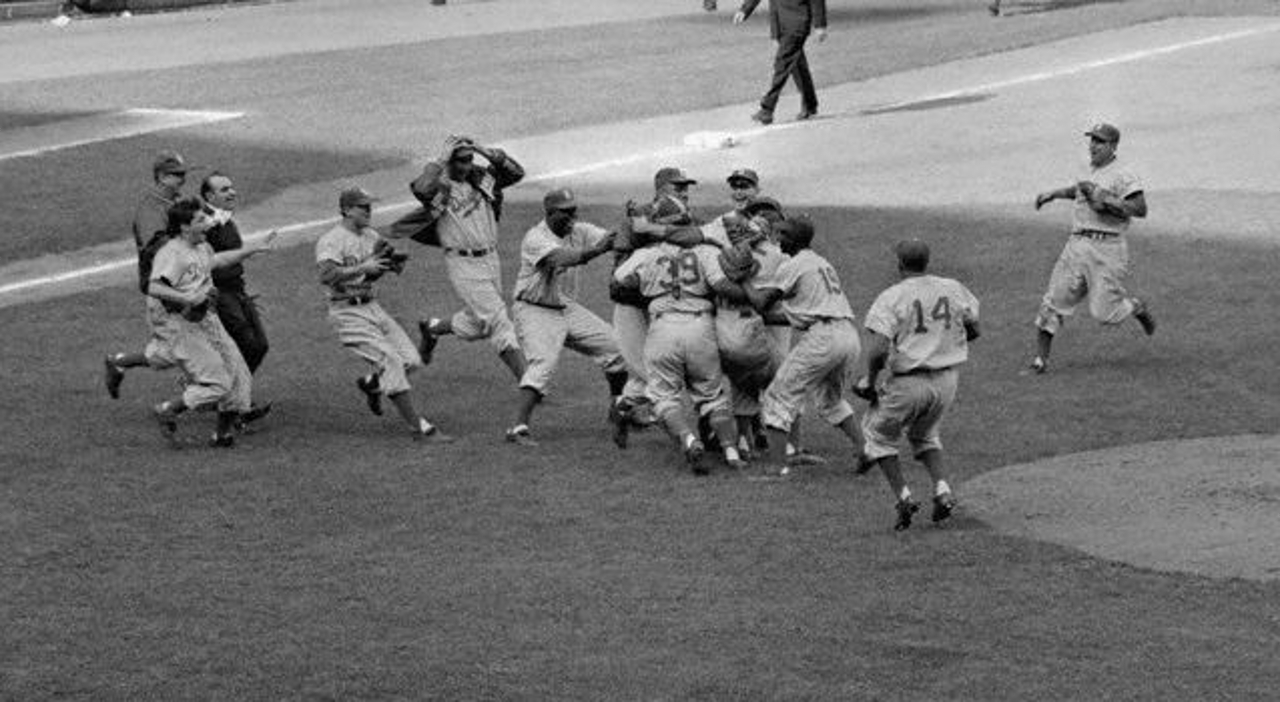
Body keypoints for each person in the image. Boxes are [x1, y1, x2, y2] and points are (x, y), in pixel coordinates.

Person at [854, 240, 980, 531]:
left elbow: (877, 351)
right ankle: (942, 490)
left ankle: (904, 497)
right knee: (925, 435)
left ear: (899, 265)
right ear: (927, 261)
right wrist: (942, 344)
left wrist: (870, 382)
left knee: (878, 437)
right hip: (948, 381)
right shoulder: (952, 287)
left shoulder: (892, 296)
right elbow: (974, 328)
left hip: (910, 383)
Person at [316, 187, 454, 444]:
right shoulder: (331, 240)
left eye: (370, 206)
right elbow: (326, 276)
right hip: (346, 311)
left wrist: (392, 264)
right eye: (362, 207)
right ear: (346, 210)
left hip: (373, 307)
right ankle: (419, 429)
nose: (369, 211)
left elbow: (377, 269)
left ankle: (372, 384)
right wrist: (363, 267)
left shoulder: (370, 235)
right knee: (391, 361)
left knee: (411, 361)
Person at [737, 215, 866, 474]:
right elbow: (794, 313)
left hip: (823, 339)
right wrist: (765, 319)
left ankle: (777, 469)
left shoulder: (793, 264)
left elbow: (762, 301)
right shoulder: (820, 262)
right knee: (830, 400)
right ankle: (866, 448)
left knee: (777, 397)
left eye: (782, 234)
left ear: (795, 239)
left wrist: (742, 280)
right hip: (848, 336)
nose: (778, 238)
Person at [144, 198, 275, 447]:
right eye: (201, 220)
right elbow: (154, 286)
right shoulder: (173, 253)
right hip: (182, 325)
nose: (208, 224)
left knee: (239, 375)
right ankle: (168, 409)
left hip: (207, 319)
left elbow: (216, 261)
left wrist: (251, 250)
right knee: (219, 383)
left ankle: (222, 434)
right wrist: (187, 297)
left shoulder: (202, 247)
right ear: (184, 227)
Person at [1029, 122, 1156, 374]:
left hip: (1108, 249)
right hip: (1077, 245)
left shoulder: (1124, 174)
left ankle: (1135, 307)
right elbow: (1078, 190)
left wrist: (1108, 201)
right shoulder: (1088, 169)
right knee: (1052, 302)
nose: (1093, 145)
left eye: (1099, 141)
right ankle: (1040, 361)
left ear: (1113, 146)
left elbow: (1140, 209)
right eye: (1092, 140)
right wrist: (1052, 194)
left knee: (1104, 313)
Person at [506, 188, 626, 447]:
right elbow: (564, 258)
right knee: (543, 365)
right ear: (549, 213)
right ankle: (518, 428)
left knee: (617, 348)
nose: (572, 216)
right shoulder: (535, 238)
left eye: (574, 210)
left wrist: (628, 225)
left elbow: (611, 238)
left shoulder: (578, 230)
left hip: (564, 307)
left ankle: (619, 410)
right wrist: (596, 251)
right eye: (565, 212)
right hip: (533, 309)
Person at [613, 239, 744, 475]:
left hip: (663, 327)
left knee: (664, 396)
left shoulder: (646, 253)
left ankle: (689, 441)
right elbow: (721, 282)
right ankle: (731, 453)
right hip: (700, 326)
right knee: (712, 394)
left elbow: (619, 280)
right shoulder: (705, 251)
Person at [408, 136, 528, 381]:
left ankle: (432, 328)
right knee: (498, 321)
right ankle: (530, 382)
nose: (465, 166)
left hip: (491, 260)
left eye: (469, 159)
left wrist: (483, 151)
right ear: (449, 162)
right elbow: (421, 188)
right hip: (463, 264)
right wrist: (439, 160)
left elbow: (516, 173)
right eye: (460, 161)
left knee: (479, 325)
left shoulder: (480, 179)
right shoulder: (440, 190)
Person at [104, 150, 194, 399]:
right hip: (163, 291)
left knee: (197, 343)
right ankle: (120, 362)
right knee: (177, 351)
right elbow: (156, 246)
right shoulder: (151, 208)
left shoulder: (177, 201)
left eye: (183, 174)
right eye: (177, 175)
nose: (183, 179)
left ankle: (203, 389)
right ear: (162, 177)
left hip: (182, 287)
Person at [200, 171, 272, 426]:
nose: (232, 192)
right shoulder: (204, 224)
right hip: (221, 294)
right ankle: (236, 404)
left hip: (238, 290)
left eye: (231, 187)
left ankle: (229, 396)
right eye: (224, 189)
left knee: (259, 345)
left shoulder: (227, 220)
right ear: (209, 196)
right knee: (246, 345)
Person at [734, 0, 828, 125]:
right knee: (796, 63)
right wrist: (745, 9)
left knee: (782, 65)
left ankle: (767, 109)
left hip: (797, 22)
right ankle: (810, 104)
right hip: (780, 23)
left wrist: (820, 24)